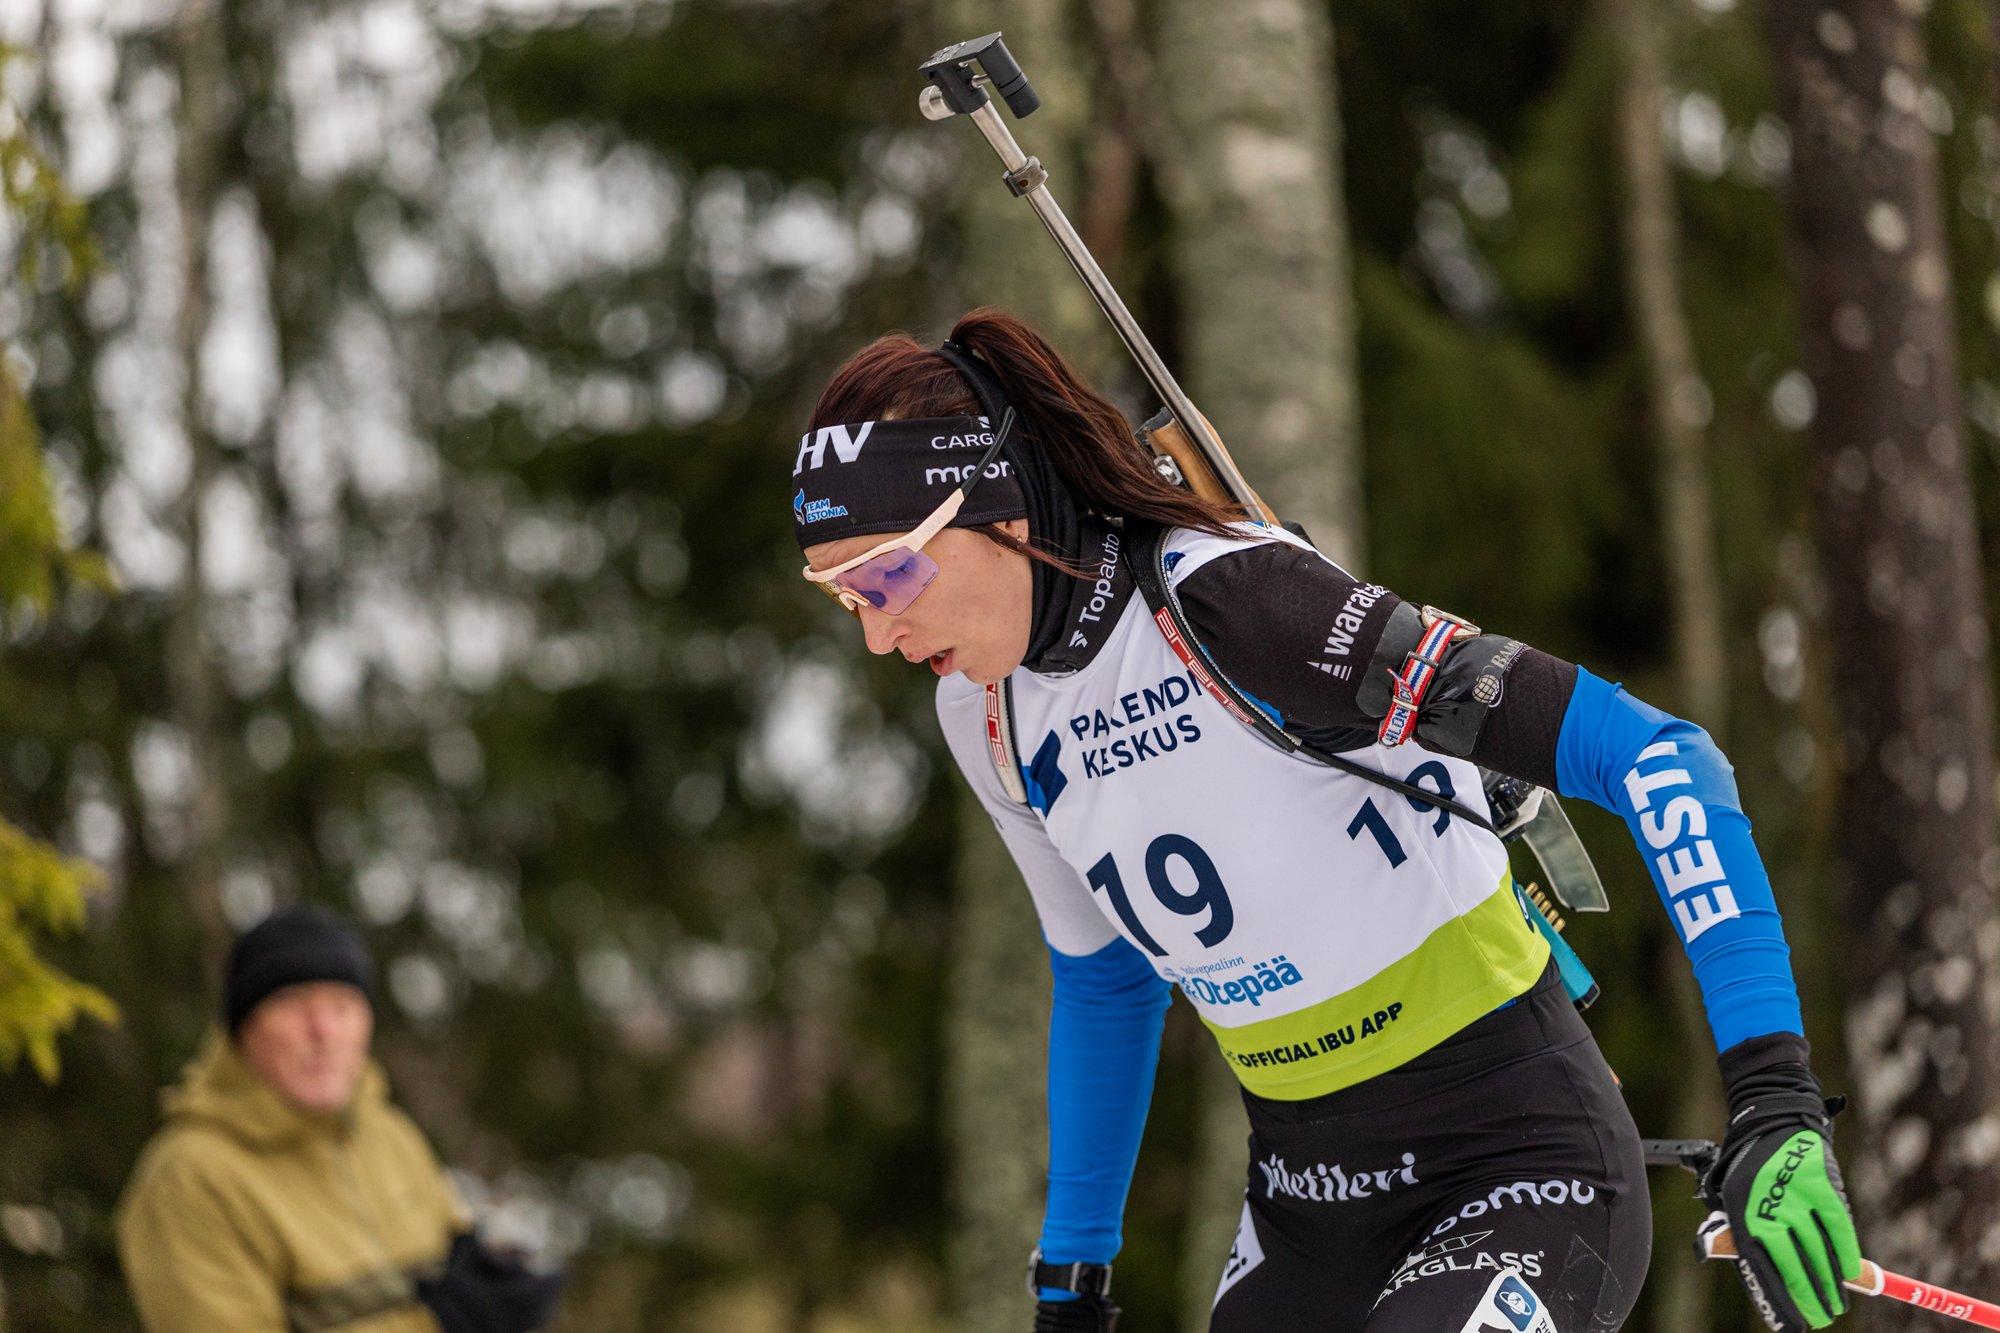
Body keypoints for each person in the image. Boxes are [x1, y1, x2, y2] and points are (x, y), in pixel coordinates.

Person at [793, 308, 1861, 1331]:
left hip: (1514, 1164)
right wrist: (1074, 1272)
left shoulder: (1236, 605)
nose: (878, 633)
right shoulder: (983, 712)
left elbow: (1658, 758)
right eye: (843, 596)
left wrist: (1772, 1096)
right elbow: (1105, 975)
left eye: (887, 573)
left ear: (1002, 510)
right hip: (1304, 1211)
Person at [116, 905, 561, 1332]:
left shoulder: (389, 1134)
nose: (324, 1032)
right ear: (242, 1030)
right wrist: (436, 1325)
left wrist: (497, 1285)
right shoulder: (190, 1177)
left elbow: (453, 1260)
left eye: (343, 1005)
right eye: (293, 1004)